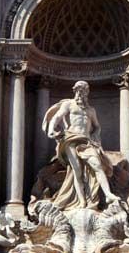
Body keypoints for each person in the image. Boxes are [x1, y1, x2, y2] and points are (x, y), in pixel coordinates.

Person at [42, 81, 120, 210]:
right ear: (75, 91)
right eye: (79, 90)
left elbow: (97, 126)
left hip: (86, 141)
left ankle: (108, 194)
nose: (81, 93)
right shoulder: (69, 105)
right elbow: (57, 117)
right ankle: (82, 201)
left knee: (98, 166)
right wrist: (51, 129)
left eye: (83, 90)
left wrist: (96, 137)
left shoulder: (90, 110)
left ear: (87, 92)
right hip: (71, 139)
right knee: (77, 170)